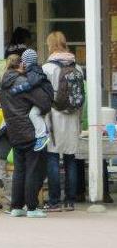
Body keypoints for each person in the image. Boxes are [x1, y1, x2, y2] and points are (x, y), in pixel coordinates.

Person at [0, 51, 54, 217]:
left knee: (19, 170)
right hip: (30, 132)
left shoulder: (2, 85)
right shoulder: (23, 82)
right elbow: (44, 102)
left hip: (14, 132)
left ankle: (16, 206)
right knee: (34, 170)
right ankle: (31, 207)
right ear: (21, 64)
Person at [43, 31, 85, 212]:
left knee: (52, 157)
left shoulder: (47, 68)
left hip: (54, 116)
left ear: (50, 45)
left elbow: (44, 96)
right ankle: (70, 200)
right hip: (73, 117)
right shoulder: (78, 68)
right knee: (71, 158)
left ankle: (54, 201)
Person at [8, 48, 51, 151]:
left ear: (26, 62)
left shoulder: (32, 72)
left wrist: (17, 89)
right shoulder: (36, 69)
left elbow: (31, 84)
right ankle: (42, 134)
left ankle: (42, 136)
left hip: (46, 97)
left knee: (33, 114)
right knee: (35, 114)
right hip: (47, 96)